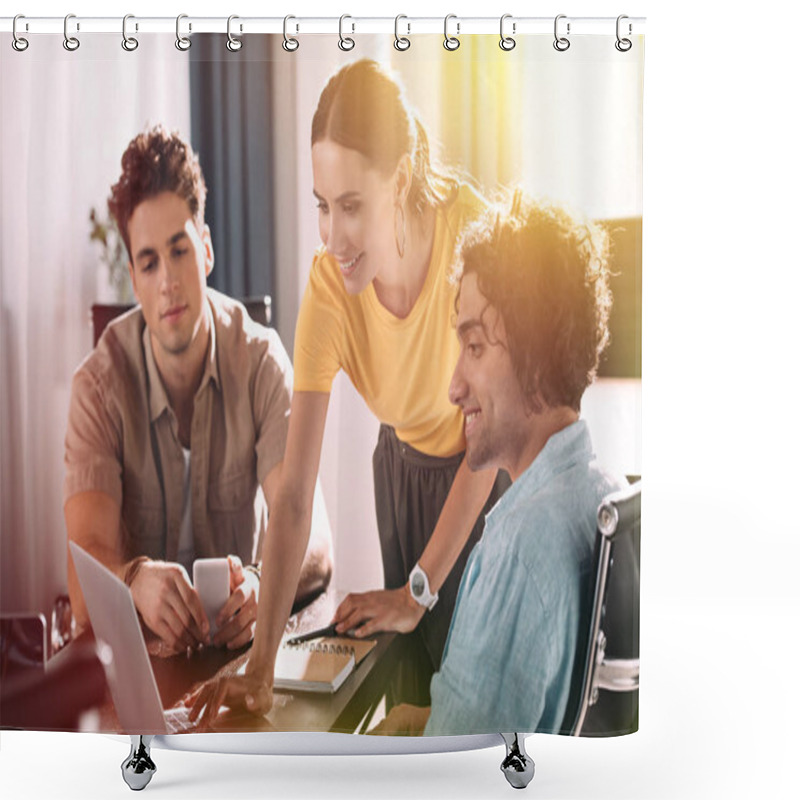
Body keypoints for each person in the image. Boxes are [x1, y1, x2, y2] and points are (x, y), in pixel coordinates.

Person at [187, 59, 507, 726]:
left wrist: (418, 589)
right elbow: (294, 495)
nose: (332, 237)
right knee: (411, 702)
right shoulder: (330, 291)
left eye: (352, 206)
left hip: (488, 482)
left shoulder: (472, 245)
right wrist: (262, 663)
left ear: (401, 179)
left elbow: (493, 440)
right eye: (322, 207)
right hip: (403, 478)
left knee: (472, 713)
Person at [64, 126, 332, 657]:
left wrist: (262, 582)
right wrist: (134, 579)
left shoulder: (261, 359)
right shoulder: (96, 387)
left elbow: (315, 541)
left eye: (179, 250)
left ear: (205, 250)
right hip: (141, 671)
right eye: (148, 262)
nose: (167, 281)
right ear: (135, 282)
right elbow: (81, 580)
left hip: (237, 663)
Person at [371, 191, 627, 735]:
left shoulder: (520, 546)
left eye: (476, 347)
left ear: (534, 351)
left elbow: (454, 778)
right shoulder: (601, 489)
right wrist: (427, 719)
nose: (453, 386)